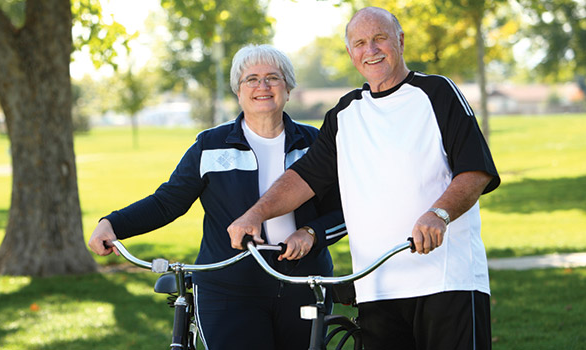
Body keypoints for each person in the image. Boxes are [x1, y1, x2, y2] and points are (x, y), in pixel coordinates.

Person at [228, 7, 500, 350]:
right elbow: (303, 179)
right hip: (376, 287)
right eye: (359, 42)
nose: (370, 50)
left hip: (447, 281)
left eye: (379, 39)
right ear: (350, 53)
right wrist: (256, 214)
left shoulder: (437, 93)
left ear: (399, 41)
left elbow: (475, 171)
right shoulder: (344, 114)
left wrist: (439, 213)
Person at [88, 44, 346, 350]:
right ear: (237, 91)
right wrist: (113, 224)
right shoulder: (209, 145)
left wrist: (311, 233)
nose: (262, 86)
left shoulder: (316, 143)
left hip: (302, 284)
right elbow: (167, 202)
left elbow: (346, 212)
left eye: (272, 78)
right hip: (228, 288)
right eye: (251, 79)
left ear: (288, 88)